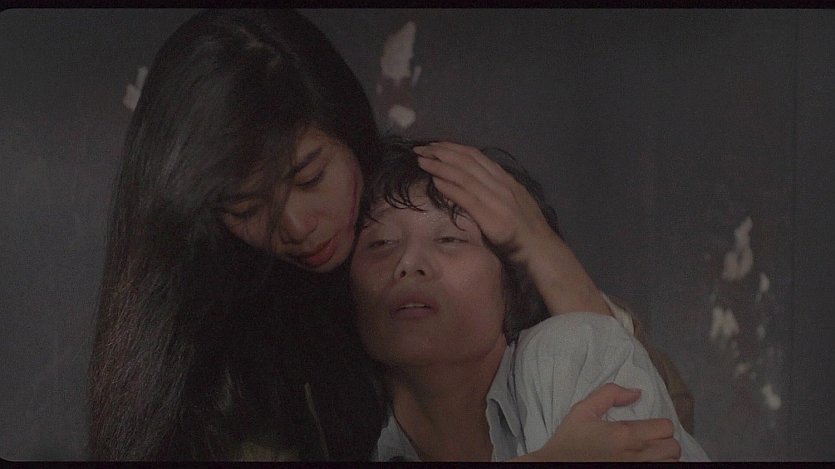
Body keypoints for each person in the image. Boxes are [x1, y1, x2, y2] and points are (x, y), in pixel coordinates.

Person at [89, 8, 690, 461]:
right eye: (246, 207)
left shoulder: (416, 206)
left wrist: (539, 247)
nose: (296, 227)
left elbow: (661, 410)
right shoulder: (229, 369)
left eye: (311, 177)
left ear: (348, 129)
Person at [349, 137, 709, 461]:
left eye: (449, 239)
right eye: (381, 243)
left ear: (512, 285)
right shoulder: (341, 432)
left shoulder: (565, 354)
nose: (408, 263)